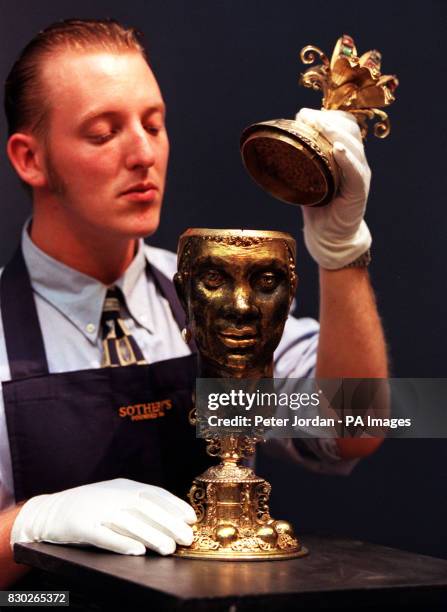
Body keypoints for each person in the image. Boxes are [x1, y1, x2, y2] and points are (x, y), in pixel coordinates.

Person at [0, 19, 387, 587]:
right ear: (30, 159)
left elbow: (357, 422)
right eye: (104, 132)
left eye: (153, 125)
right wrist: (31, 524)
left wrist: (342, 252)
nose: (142, 154)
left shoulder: (216, 300)